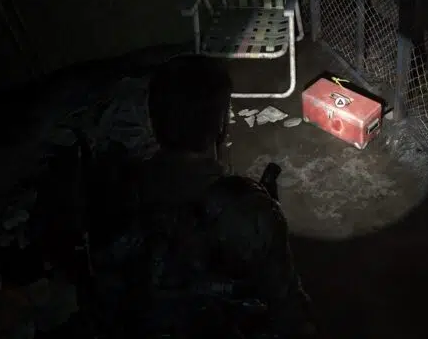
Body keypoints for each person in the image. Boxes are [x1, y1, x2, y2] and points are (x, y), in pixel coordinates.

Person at [93, 54, 316, 338]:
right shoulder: (248, 208)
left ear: (153, 121)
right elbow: (289, 310)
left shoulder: (118, 193)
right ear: (222, 123)